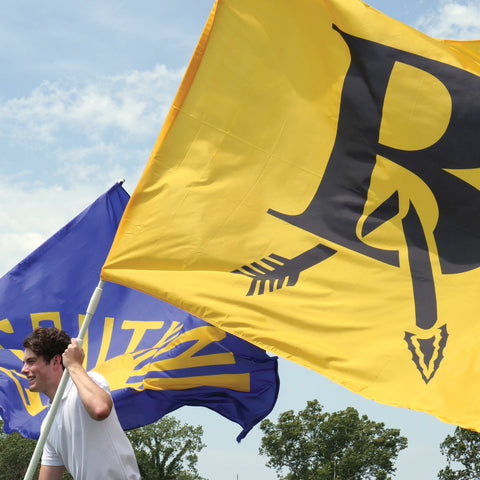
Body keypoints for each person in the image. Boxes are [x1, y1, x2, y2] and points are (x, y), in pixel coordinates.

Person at [21, 326, 141, 480]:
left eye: (31, 362)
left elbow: (100, 409)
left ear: (56, 361)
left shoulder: (91, 382)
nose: (24, 369)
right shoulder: (48, 424)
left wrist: (74, 365)